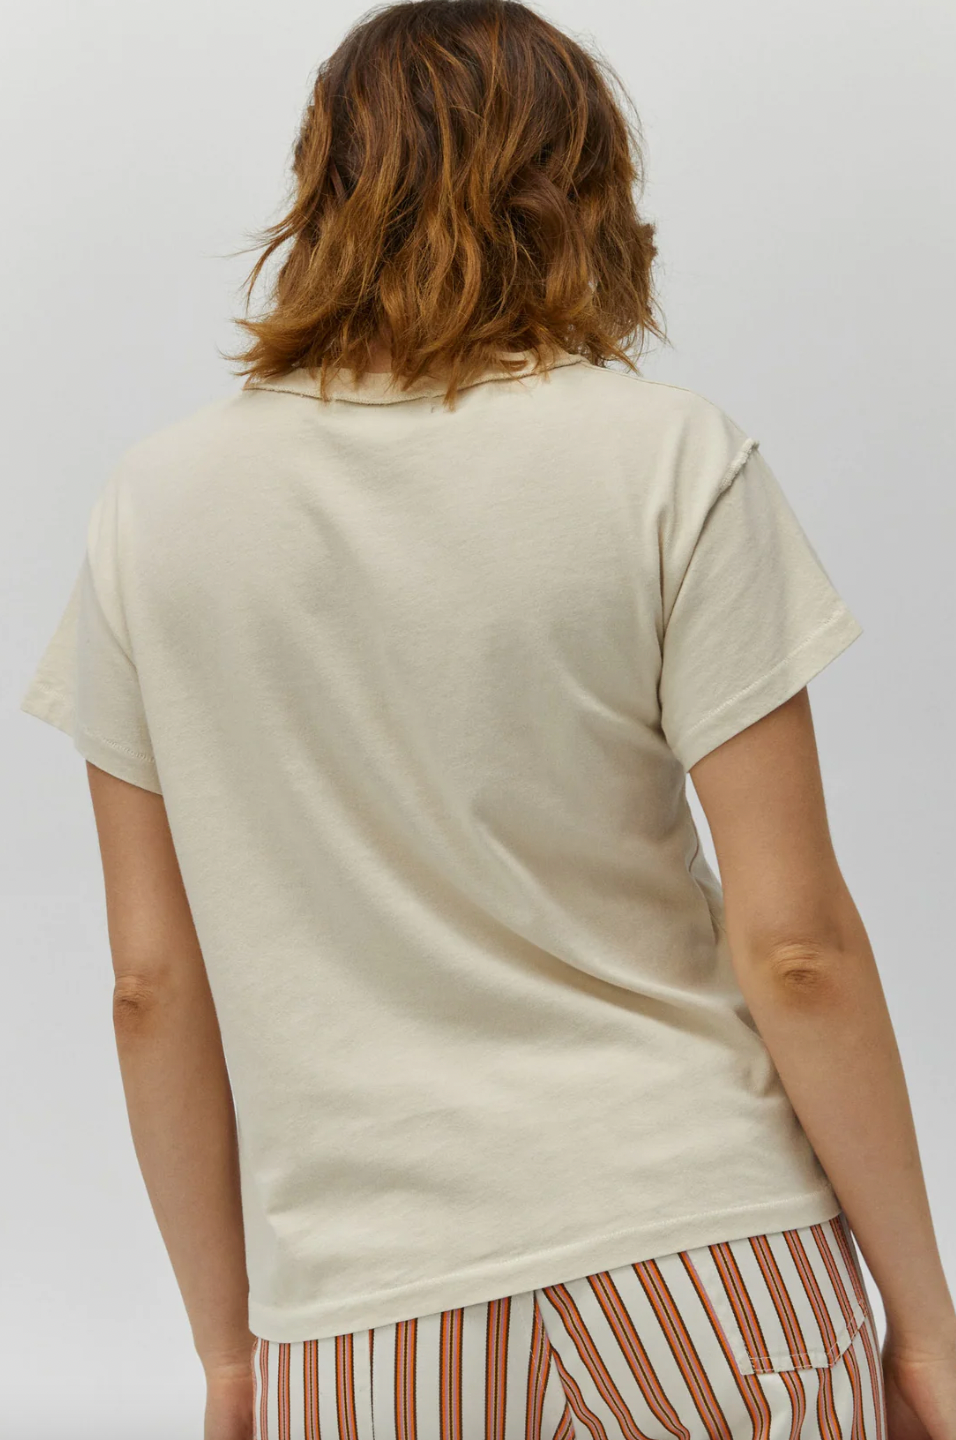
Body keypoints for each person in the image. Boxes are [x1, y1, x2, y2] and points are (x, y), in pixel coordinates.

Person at [20, 1, 955, 1437]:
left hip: (365, 1320)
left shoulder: (152, 514)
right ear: (584, 189)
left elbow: (150, 984)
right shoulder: (669, 460)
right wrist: (928, 1326)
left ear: (323, 187)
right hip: (708, 1266)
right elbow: (798, 948)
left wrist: (229, 1353)